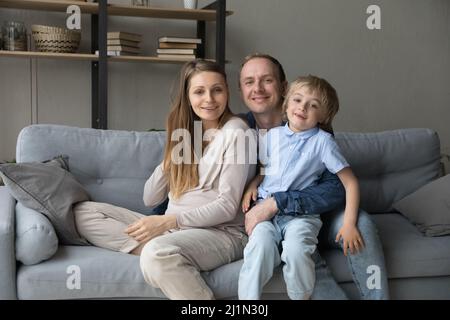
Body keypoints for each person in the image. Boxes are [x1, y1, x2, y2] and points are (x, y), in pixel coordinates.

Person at [74, 59, 256, 299]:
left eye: (217, 90)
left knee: (157, 253)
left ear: (227, 92)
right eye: (199, 91)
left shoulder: (237, 131)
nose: (209, 99)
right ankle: (163, 253)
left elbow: (227, 206)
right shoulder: (188, 135)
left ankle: (161, 255)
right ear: (187, 97)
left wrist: (168, 222)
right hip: (174, 232)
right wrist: (173, 155)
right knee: (82, 212)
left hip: (220, 233)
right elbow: (150, 198)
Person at [238, 53, 389, 300]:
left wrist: (279, 201)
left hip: (310, 214)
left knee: (309, 245)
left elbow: (339, 187)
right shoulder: (246, 129)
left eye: (267, 80)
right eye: (249, 81)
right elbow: (264, 170)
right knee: (277, 250)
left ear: (282, 88)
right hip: (269, 219)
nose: (258, 88)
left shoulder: (320, 136)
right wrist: (253, 186)